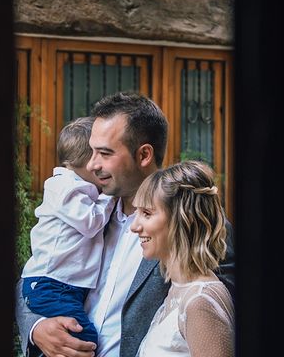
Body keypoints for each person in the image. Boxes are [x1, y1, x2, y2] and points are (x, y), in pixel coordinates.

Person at [16, 92, 235, 357]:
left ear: (144, 154)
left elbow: (219, 312)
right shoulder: (84, 209)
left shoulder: (194, 223)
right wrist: (36, 328)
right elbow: (35, 275)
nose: (92, 164)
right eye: (92, 151)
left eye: (105, 153)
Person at [20, 116, 116, 348]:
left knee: (80, 336)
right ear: (88, 162)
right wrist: (110, 195)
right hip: (52, 284)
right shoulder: (64, 187)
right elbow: (91, 222)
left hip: (64, 286)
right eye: (101, 155)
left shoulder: (77, 187)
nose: (100, 165)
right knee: (82, 339)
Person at [131, 160, 235, 357]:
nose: (134, 226)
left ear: (180, 218)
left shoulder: (201, 301)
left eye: (146, 213)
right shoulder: (177, 288)